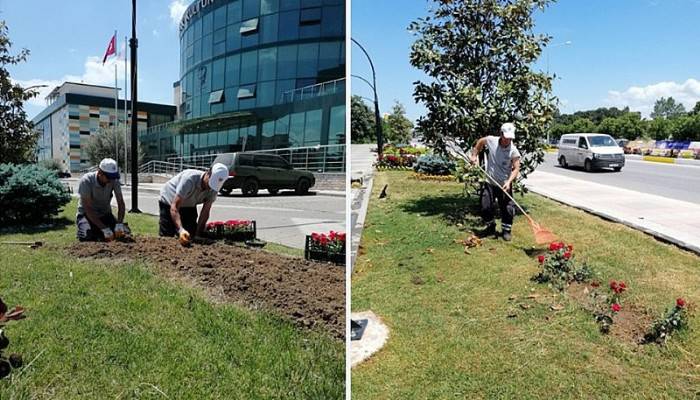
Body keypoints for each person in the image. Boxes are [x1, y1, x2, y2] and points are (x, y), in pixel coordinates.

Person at [469, 122, 521, 241]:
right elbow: (480, 142)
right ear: (501, 134)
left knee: (507, 209)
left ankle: (506, 230)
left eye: (510, 138)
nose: (508, 140)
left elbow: (516, 168)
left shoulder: (513, 150)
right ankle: (490, 226)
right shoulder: (491, 141)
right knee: (485, 207)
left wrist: (508, 182)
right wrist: (474, 155)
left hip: (504, 184)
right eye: (506, 137)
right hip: (490, 182)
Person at [158, 163, 229, 245]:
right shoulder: (189, 179)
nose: (210, 188)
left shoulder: (214, 189)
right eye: (210, 183)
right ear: (208, 173)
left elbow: (205, 212)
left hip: (190, 204)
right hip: (169, 201)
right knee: (167, 235)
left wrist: (198, 234)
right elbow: (174, 208)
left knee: (191, 234)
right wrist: (181, 229)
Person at [76, 158, 127, 241]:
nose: (111, 180)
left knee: (123, 233)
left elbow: (121, 203)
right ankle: (87, 230)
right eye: (109, 177)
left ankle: (100, 232)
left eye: (113, 177)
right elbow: (87, 208)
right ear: (100, 173)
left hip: (105, 214)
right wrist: (104, 228)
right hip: (86, 215)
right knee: (87, 236)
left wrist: (119, 223)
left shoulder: (114, 180)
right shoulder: (86, 181)